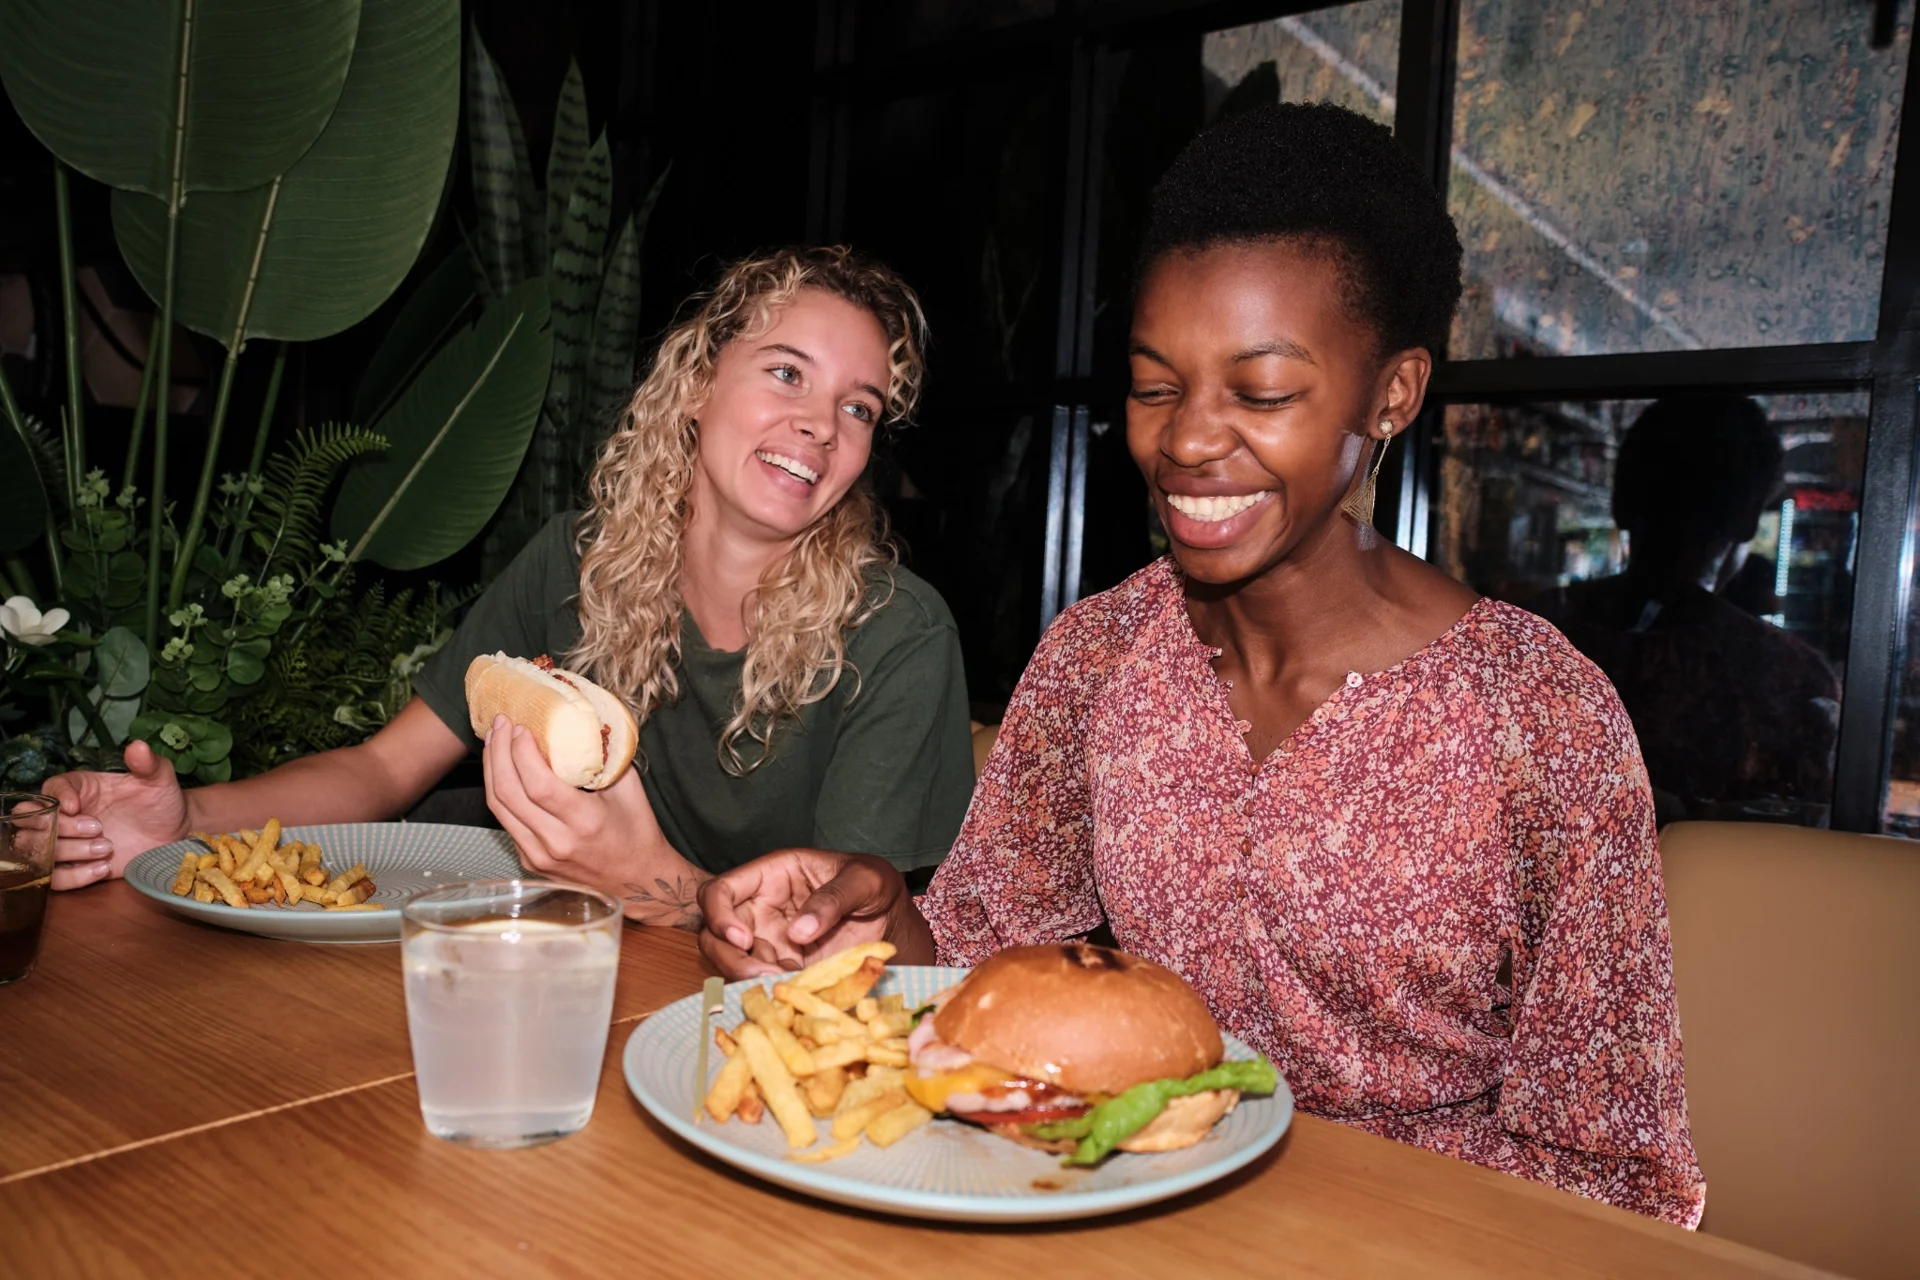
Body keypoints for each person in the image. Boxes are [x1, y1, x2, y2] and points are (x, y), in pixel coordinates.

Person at [696, 105, 1705, 1226]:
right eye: (1155, 385)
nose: (1184, 441)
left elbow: (1613, 1174)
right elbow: (985, 964)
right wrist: (879, 928)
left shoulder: (1539, 717)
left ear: (1392, 394)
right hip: (1111, 1222)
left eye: (1262, 392)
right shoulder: (1099, 654)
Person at [44, 247, 977, 927]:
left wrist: (645, 877)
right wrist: (187, 819)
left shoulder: (897, 633)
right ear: (697, 384)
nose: (819, 424)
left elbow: (871, 945)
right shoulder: (575, 561)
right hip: (584, 983)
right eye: (786, 373)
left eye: (858, 407)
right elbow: (382, 769)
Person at [1532, 395, 1840, 822]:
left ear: (1620, 501)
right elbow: (1801, 839)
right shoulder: (1787, 675)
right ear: (1748, 520)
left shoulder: (1523, 631)